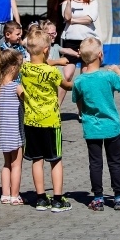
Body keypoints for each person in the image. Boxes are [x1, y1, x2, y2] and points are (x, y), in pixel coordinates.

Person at [72, 37, 120, 211]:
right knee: (115, 162)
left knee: (95, 163)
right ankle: (118, 197)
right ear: (100, 55)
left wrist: (82, 113)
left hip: (91, 127)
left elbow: (78, 101)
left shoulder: (79, 81)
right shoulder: (108, 76)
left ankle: (98, 198)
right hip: (112, 126)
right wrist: (118, 70)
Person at [21, 28, 73, 212]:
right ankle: (58, 199)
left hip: (31, 121)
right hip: (51, 122)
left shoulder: (24, 69)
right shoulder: (52, 73)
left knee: (37, 159)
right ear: (45, 50)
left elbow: (39, 62)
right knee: (55, 160)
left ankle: (41, 198)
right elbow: (67, 85)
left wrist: (55, 61)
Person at [0, 48, 25, 206]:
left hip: (3, 132)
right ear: (13, 67)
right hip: (16, 132)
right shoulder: (16, 87)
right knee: (17, 165)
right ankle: (15, 195)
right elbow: (28, 100)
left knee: (6, 164)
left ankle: (5, 195)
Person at [60, 0, 99, 104]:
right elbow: (66, 17)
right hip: (70, 41)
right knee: (66, 75)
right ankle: (56, 107)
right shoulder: (66, 3)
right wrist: (69, 1)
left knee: (85, 76)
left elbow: (90, 18)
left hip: (87, 41)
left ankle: (83, 109)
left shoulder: (92, 2)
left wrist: (73, 21)